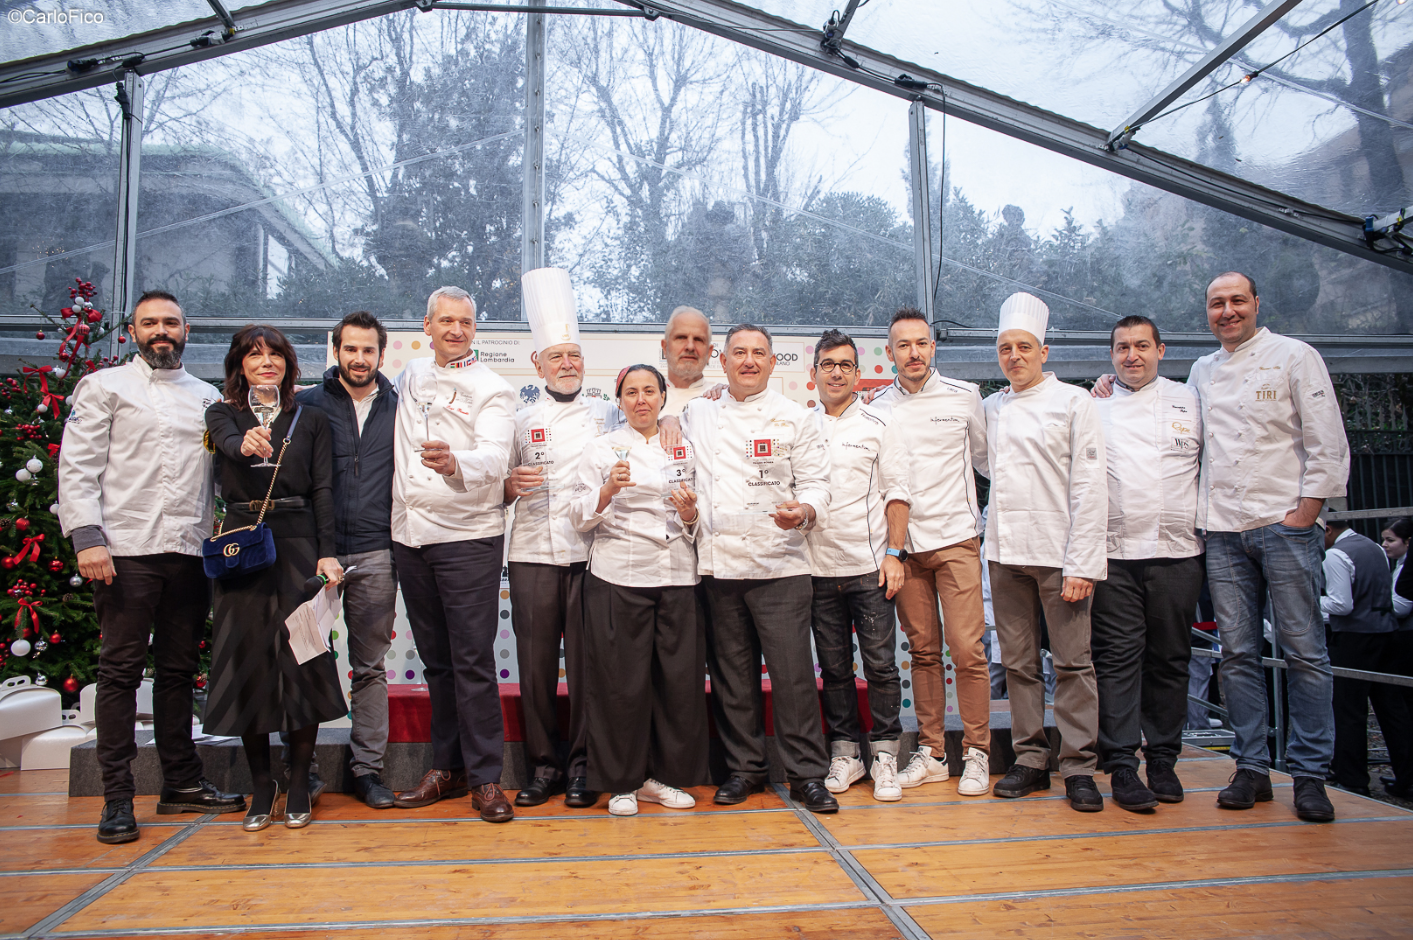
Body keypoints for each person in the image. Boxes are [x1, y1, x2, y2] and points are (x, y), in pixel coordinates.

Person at [59, 289, 245, 845]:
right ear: (133, 332)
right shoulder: (104, 387)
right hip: (124, 550)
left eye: (170, 322)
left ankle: (182, 782)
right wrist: (88, 538)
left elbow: (219, 478)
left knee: (177, 672)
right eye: (149, 323)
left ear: (186, 330)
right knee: (118, 672)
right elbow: (78, 467)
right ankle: (117, 796)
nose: (160, 331)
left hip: (189, 553)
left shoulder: (208, 396)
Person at [1186, 272, 1346, 822]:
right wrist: (1109, 388)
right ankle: (1251, 766)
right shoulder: (1202, 370)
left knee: (1304, 652)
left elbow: (1327, 438)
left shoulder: (1296, 356)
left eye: (1236, 301)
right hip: (1224, 531)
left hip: (1284, 526)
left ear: (1256, 303)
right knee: (1237, 655)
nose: (1227, 312)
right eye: (1216, 305)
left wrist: (1307, 512)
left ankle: (1309, 775)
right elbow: (1182, 436)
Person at [680, 323, 837, 813]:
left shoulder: (798, 418)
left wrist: (806, 511)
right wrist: (666, 421)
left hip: (782, 563)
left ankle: (807, 775)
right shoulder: (695, 414)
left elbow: (817, 483)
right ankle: (744, 770)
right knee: (732, 676)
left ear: (774, 364)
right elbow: (664, 436)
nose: (749, 361)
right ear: (722, 362)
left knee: (792, 678)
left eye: (759, 353)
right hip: (720, 567)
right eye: (739, 353)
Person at [203, 325, 346, 831]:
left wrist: (327, 554)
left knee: (303, 656)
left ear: (289, 364)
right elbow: (225, 441)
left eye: (276, 355)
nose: (267, 362)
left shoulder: (310, 417)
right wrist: (243, 443)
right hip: (243, 543)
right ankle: (262, 784)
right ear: (239, 365)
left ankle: (302, 776)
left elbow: (324, 489)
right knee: (248, 662)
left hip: (299, 543)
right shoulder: (222, 413)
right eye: (255, 355)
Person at [390, 286, 517, 823]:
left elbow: (494, 455)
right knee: (437, 663)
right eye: (446, 321)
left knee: (473, 662)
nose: (455, 330)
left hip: (467, 535)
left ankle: (488, 779)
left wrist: (454, 462)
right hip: (410, 535)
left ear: (474, 328)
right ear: (427, 325)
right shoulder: (408, 377)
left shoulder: (494, 388)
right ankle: (447, 767)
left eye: (465, 322)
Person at [984, 292, 1108, 812]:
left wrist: (1083, 564)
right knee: (1017, 663)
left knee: (1074, 663)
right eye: (1006, 348)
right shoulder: (990, 408)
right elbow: (980, 466)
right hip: (1005, 552)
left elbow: (1090, 486)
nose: (1014, 356)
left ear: (1044, 351)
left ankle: (1079, 766)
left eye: (1024, 347)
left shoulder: (1077, 402)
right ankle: (1030, 759)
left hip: (1061, 556)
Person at [571, 364, 709, 815]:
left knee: (678, 684)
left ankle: (664, 778)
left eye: (650, 391)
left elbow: (700, 517)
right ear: (619, 401)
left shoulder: (686, 447)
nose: (641, 400)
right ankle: (622, 783)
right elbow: (578, 515)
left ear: (664, 397)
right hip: (618, 574)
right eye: (631, 393)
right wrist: (608, 489)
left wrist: (690, 514)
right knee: (619, 685)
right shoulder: (600, 448)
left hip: (676, 575)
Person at [504, 268, 618, 809]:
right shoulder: (520, 419)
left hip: (592, 555)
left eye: (574, 355)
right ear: (538, 364)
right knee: (535, 669)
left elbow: (652, 429)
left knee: (590, 669)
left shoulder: (608, 413)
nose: (567, 364)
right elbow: (496, 487)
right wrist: (508, 483)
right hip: (531, 553)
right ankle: (542, 767)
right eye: (557, 357)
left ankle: (582, 767)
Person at [871, 307, 993, 798]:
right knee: (922, 653)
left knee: (968, 652)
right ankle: (934, 754)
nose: (914, 353)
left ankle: (978, 753)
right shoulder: (877, 405)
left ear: (933, 347)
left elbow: (985, 460)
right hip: (904, 548)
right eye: (903, 345)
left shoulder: (966, 397)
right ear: (890, 353)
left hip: (957, 539)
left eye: (921, 343)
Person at [1090, 315, 1204, 811]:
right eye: (1121, 348)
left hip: (1178, 551)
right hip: (1115, 555)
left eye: (1140, 346)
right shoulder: (1093, 406)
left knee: (1171, 659)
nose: (1131, 355)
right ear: (1111, 356)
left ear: (1161, 348)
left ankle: (1162, 759)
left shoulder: (1191, 399)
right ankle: (1120, 765)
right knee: (1116, 661)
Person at [295, 311, 399, 809]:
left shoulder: (400, 406)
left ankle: (368, 771)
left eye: (369, 350)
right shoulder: (307, 404)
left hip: (379, 549)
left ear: (382, 354)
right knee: (307, 658)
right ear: (335, 351)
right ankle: (304, 772)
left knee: (370, 666)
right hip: (319, 553)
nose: (360, 359)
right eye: (350, 349)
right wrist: (316, 549)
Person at [804, 329, 904, 802]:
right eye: (829, 364)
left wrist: (894, 554)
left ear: (858, 374)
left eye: (846, 364)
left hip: (868, 568)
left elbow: (898, 495)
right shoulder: (800, 427)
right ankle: (847, 754)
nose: (837, 372)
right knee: (835, 669)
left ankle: (885, 755)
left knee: (882, 667)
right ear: (815, 373)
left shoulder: (879, 426)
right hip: (816, 569)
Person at [1321, 517, 1413, 796]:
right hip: (1385, 633)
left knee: (1349, 709)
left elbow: (1341, 604)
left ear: (1327, 529)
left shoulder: (1336, 553)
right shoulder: (1373, 547)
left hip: (1354, 637)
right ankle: (1407, 777)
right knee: (1391, 709)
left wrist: (1308, 600)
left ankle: (1353, 778)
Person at [1385, 517, 1413, 797]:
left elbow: (1401, 604)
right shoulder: (1397, 566)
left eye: (1391, 539)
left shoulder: (1406, 568)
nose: (1385, 545)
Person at [660, 306, 716, 416]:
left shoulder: (723, 397)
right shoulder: (645, 400)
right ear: (665, 348)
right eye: (681, 337)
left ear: (709, 352)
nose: (690, 346)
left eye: (698, 339)